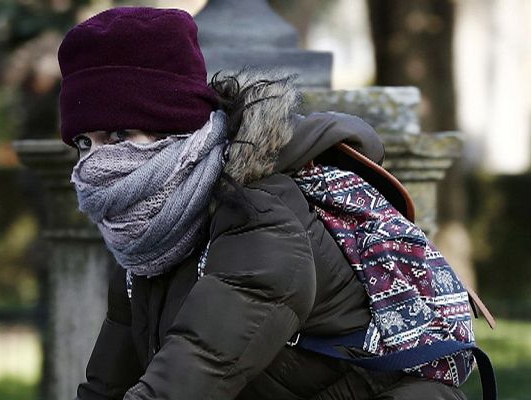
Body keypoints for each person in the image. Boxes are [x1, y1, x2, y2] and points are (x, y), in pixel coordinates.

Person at [58, 6, 470, 400]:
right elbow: (105, 388)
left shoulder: (258, 217)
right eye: (83, 142)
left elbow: (193, 376)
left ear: (174, 128)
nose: (96, 162)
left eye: (117, 136)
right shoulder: (150, 239)